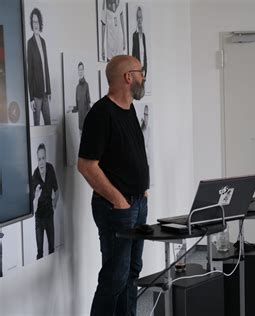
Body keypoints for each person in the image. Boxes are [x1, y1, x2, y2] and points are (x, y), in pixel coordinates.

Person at [78, 55, 148, 316]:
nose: (143, 77)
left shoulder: (129, 109)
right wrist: (119, 200)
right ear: (128, 77)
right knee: (114, 276)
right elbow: (86, 165)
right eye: (140, 72)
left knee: (131, 272)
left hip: (137, 204)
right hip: (116, 209)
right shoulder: (100, 113)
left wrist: (142, 192)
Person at [31, 143, 58, 260]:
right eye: (39, 159)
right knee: (40, 252)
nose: (41, 162)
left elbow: (56, 190)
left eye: (43, 158)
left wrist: (54, 203)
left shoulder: (50, 169)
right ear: (37, 160)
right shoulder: (34, 176)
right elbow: (34, 208)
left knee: (52, 249)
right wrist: (36, 196)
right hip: (39, 219)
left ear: (46, 158)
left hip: (49, 216)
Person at [27, 8, 51, 126]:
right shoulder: (30, 43)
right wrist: (31, 98)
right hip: (36, 95)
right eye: (33, 22)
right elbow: (29, 73)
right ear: (31, 24)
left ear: (40, 23)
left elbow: (46, 67)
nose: (35, 24)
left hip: (45, 94)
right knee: (37, 127)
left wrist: (49, 90)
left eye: (37, 22)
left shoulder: (43, 42)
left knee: (48, 126)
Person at [70, 62, 91, 132]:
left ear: (84, 71)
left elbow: (88, 103)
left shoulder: (86, 85)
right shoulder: (77, 88)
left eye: (82, 69)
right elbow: (78, 107)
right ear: (78, 71)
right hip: (80, 123)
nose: (80, 71)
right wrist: (71, 109)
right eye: (79, 69)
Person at [131, 6, 147, 77]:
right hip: (137, 70)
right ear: (136, 19)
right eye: (138, 17)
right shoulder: (134, 35)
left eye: (140, 17)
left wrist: (145, 69)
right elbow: (133, 54)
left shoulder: (143, 35)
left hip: (143, 69)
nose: (139, 19)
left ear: (142, 18)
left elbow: (145, 54)